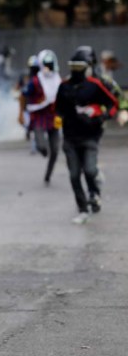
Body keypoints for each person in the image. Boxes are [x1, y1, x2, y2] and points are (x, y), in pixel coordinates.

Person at [55, 49, 118, 225]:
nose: (76, 71)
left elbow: (113, 103)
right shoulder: (64, 86)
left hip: (90, 136)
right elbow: (57, 108)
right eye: (73, 67)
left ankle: (95, 192)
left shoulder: (95, 85)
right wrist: (64, 115)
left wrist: (101, 117)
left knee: (90, 170)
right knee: (74, 175)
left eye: (79, 67)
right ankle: (83, 208)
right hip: (70, 138)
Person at [19, 50, 62, 184]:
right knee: (42, 146)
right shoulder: (36, 81)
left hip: (53, 116)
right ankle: (41, 149)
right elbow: (23, 95)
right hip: (38, 115)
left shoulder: (58, 79)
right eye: (46, 64)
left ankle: (48, 174)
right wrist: (20, 113)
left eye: (51, 64)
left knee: (55, 150)